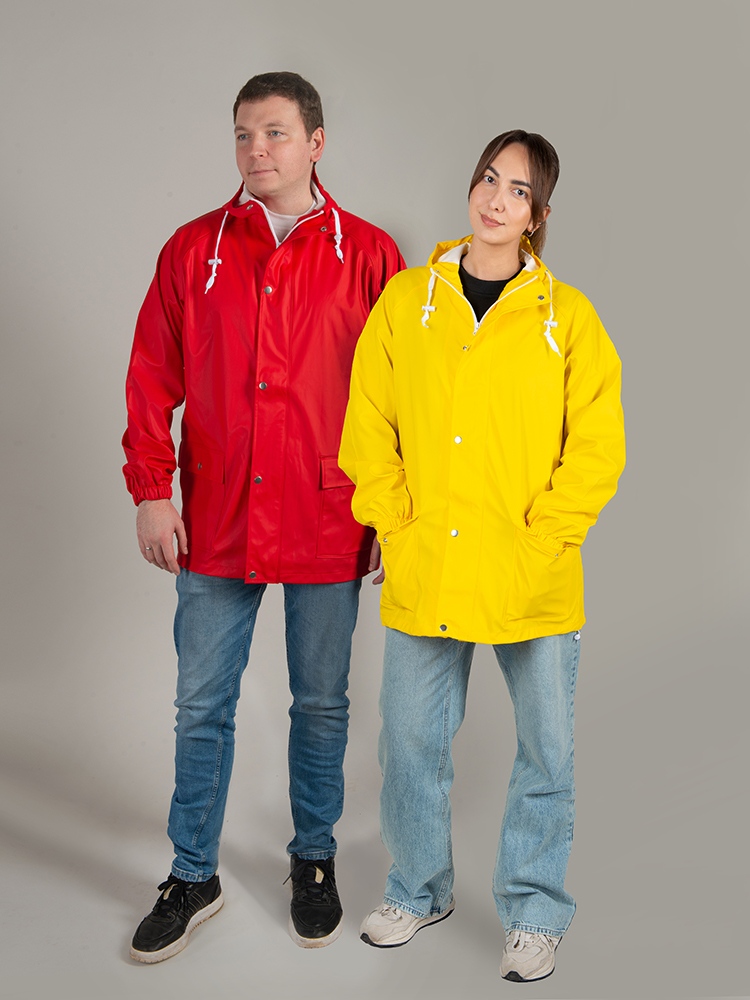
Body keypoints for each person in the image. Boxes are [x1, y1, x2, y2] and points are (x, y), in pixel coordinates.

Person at [122, 71, 404, 963]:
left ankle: (313, 858)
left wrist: (393, 511)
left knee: (321, 703)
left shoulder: (370, 256)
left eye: (276, 133)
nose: (256, 150)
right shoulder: (193, 249)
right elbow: (150, 375)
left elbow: (401, 398)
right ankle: (192, 873)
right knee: (200, 703)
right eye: (244, 134)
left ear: (316, 143)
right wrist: (152, 489)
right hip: (219, 511)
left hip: (328, 511)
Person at [339, 130, 625, 983]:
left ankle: (534, 912)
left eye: (519, 190)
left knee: (546, 753)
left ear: (538, 215)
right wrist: (395, 522)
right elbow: (368, 421)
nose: (497, 199)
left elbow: (597, 448)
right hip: (429, 562)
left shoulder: (567, 319)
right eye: (489, 179)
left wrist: (545, 539)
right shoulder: (407, 301)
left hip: (530, 575)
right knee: (409, 743)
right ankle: (418, 888)